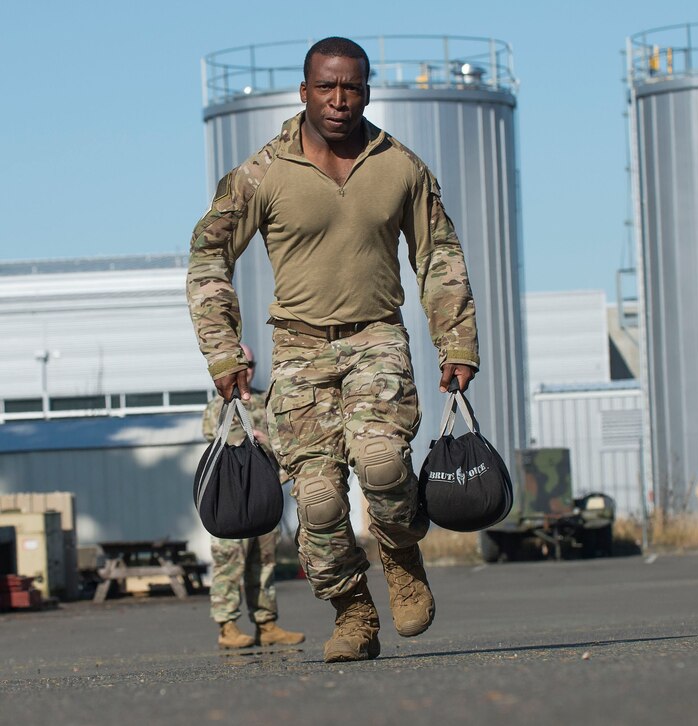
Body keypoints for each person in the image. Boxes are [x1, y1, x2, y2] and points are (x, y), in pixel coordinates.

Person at [186, 36, 479, 663]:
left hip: (377, 338)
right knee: (317, 500)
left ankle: (400, 553)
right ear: (304, 92)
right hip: (297, 351)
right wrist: (223, 350)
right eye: (326, 87)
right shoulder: (262, 173)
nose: (339, 100)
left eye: (351, 88)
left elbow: (439, 255)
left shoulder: (400, 166)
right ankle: (352, 612)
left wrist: (456, 340)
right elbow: (209, 254)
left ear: (367, 92)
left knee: (380, 463)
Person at [201, 344, 306, 650]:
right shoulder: (216, 406)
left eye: (250, 364)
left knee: (265, 561)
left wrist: (266, 440)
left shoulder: (266, 403)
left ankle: (266, 623)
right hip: (232, 499)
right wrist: (244, 440)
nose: (246, 369)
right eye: (240, 363)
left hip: (262, 495)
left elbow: (287, 439)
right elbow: (216, 445)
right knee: (229, 560)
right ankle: (227, 626)